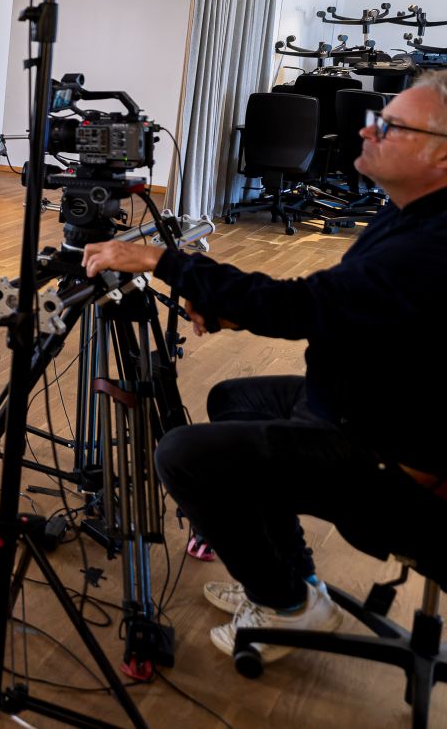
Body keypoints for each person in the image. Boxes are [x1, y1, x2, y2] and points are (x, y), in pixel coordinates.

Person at [82, 72, 447, 665]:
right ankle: (296, 583)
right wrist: (232, 309)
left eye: (389, 126)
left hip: (393, 457)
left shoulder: (432, 245)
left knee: (184, 454)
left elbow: (303, 306)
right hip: (361, 402)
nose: (365, 130)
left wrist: (160, 260)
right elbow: (345, 306)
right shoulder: (411, 213)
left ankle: (284, 604)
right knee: (233, 400)